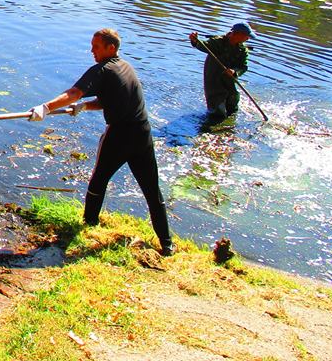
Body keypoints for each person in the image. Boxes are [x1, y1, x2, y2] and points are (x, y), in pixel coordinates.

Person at [28, 28, 173, 256]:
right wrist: (86, 106)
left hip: (119, 136)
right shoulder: (126, 68)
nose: (92, 51)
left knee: (98, 182)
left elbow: (75, 92)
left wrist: (46, 107)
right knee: (152, 190)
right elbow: (111, 100)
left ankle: (89, 225)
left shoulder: (102, 69)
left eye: (96, 47)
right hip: (143, 134)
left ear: (110, 48)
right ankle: (167, 245)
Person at [189, 23, 252, 119]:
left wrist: (234, 72)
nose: (247, 39)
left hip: (229, 78)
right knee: (217, 109)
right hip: (213, 76)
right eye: (246, 36)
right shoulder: (218, 42)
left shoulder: (243, 50)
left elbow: (243, 67)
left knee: (233, 101)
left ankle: (230, 118)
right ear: (237, 34)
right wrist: (195, 41)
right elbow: (203, 45)